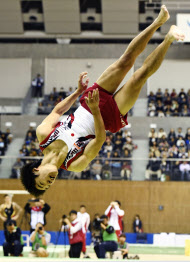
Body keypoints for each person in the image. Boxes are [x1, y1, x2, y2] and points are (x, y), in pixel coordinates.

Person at [20, 5, 185, 196]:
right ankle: (169, 39)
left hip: (88, 102)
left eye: (42, 184)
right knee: (139, 76)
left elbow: (57, 112)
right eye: (47, 188)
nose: (48, 184)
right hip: (105, 118)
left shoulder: (43, 135)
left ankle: (159, 22)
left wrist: (78, 91)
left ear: (36, 171)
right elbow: (99, 140)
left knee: (126, 60)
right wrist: (96, 110)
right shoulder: (74, 165)